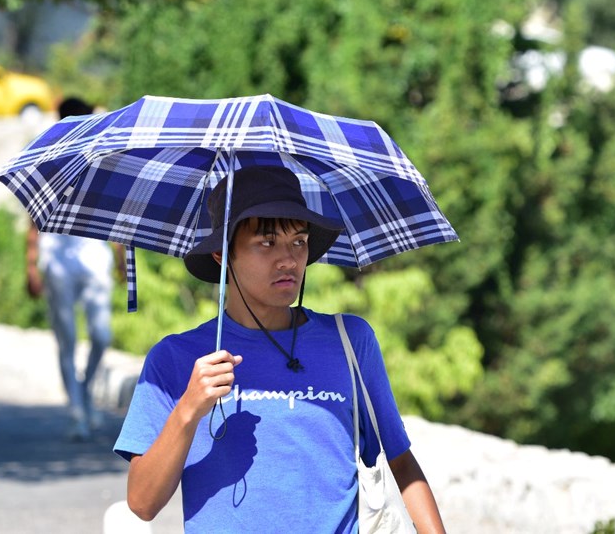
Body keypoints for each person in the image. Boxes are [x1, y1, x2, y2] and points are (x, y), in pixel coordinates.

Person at [114, 165, 447, 532]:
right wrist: (189, 408)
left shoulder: (351, 341)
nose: (288, 259)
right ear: (222, 255)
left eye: (299, 242)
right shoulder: (175, 358)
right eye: (267, 243)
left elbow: (400, 462)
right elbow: (142, 503)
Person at [26, 96, 121, 440]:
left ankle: (83, 391)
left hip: (94, 255)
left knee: (101, 336)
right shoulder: (46, 155)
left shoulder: (101, 156)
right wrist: (32, 264)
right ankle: (78, 412)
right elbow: (33, 213)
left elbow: (115, 210)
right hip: (57, 259)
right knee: (66, 342)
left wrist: (122, 256)